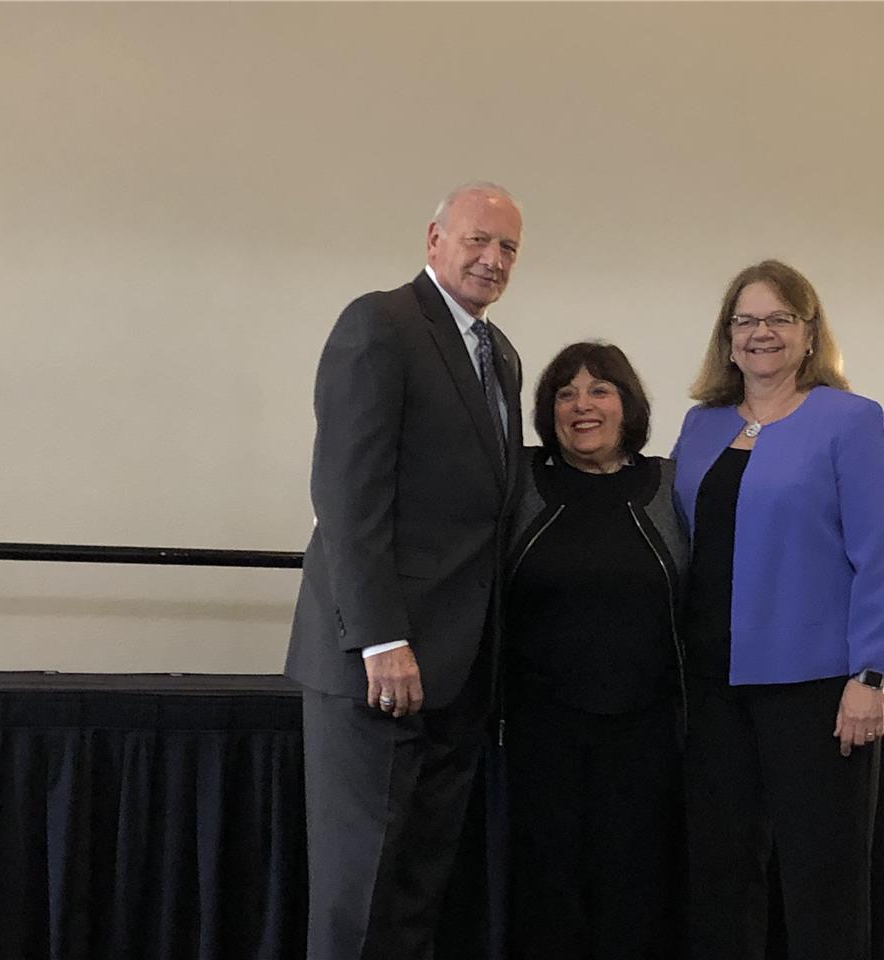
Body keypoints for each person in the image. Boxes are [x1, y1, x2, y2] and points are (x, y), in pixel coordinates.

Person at [285, 182, 524, 960]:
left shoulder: (502, 356)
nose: (492, 259)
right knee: (360, 895)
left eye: (508, 249)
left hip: (458, 671)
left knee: (417, 891)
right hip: (378, 665)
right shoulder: (380, 324)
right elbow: (346, 495)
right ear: (433, 240)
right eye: (477, 240)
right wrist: (382, 638)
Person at [672, 260, 884, 960]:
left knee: (822, 884)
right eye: (745, 320)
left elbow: (880, 551)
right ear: (727, 337)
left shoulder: (852, 420)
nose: (760, 333)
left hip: (817, 691)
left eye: (779, 318)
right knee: (721, 880)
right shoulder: (702, 426)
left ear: (810, 334)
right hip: (712, 689)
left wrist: (872, 673)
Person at [503, 341, 688, 960]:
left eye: (599, 389)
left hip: (649, 734)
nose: (582, 405)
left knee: (635, 892)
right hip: (535, 734)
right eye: (565, 393)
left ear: (627, 404)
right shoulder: (521, 481)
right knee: (545, 895)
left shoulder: (670, 485)